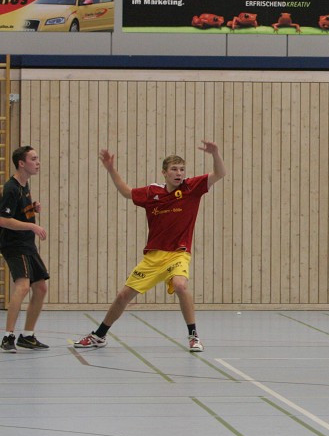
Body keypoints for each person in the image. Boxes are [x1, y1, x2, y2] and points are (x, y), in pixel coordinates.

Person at [73, 143, 226, 352]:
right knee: (123, 296)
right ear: (164, 173)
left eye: (181, 169)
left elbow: (220, 173)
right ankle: (99, 335)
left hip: (178, 254)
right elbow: (126, 192)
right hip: (153, 257)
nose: (178, 173)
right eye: (174, 169)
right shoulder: (152, 192)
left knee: (181, 286)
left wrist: (215, 153)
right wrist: (111, 169)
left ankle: (193, 335)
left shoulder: (191, 188)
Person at [0, 146, 49, 352]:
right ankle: (8, 336)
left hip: (27, 244)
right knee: (23, 286)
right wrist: (32, 225)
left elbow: (18, 212)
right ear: (22, 163)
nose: (37, 162)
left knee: (40, 287)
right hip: (14, 244)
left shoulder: (24, 185)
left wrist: (31, 209)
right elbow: (3, 219)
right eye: (33, 159)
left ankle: (27, 336)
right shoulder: (11, 188)